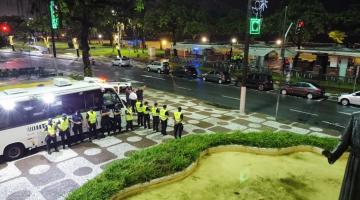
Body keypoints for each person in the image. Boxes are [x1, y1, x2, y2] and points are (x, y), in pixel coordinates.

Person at [322, 114, 360, 200]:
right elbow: (344, 141)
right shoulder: (355, 117)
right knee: (351, 193)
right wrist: (333, 155)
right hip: (355, 163)